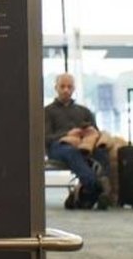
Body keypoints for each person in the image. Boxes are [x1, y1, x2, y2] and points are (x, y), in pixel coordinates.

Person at [42, 74, 111, 210]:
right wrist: (67, 134)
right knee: (72, 152)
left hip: (82, 145)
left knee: (101, 151)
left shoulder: (84, 111)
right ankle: (98, 187)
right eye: (62, 86)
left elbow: (95, 133)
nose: (66, 90)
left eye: (69, 87)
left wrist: (87, 132)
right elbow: (46, 138)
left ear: (74, 89)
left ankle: (88, 192)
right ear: (56, 88)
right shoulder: (47, 112)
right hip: (58, 147)